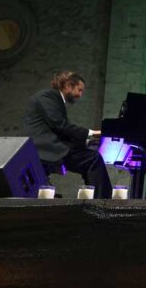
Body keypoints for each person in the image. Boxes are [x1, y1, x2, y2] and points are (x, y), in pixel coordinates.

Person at [24, 70, 113, 198]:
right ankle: (102, 201)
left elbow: (61, 129)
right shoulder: (48, 96)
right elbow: (59, 125)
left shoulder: (54, 99)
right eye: (79, 90)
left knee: (91, 158)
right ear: (68, 86)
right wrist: (92, 133)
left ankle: (94, 198)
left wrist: (88, 141)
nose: (80, 95)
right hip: (46, 148)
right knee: (93, 159)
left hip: (52, 145)